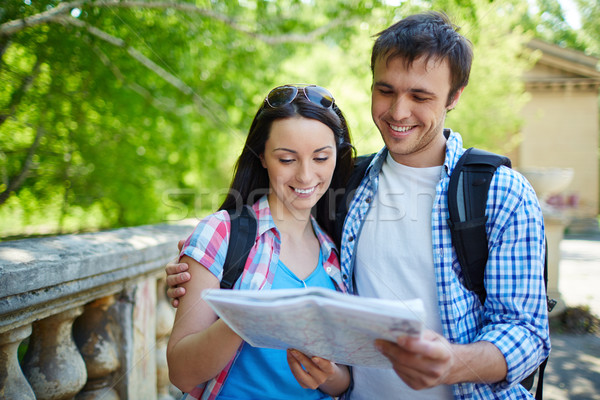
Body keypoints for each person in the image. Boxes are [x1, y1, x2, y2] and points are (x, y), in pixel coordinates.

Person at [166, 11, 551, 400]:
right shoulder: (347, 185)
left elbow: (527, 332)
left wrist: (452, 362)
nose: (398, 112)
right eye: (385, 91)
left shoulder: (500, 194)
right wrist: (203, 269)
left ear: (454, 96)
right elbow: (267, 245)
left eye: (420, 96)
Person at [166, 84, 354, 400]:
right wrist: (249, 318)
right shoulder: (221, 234)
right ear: (263, 157)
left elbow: (341, 382)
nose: (306, 176)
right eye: (287, 159)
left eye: (321, 157)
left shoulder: (334, 251)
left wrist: (329, 374)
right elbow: (181, 373)